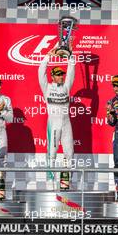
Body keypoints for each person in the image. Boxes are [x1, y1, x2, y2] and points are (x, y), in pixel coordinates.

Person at [38, 48, 75, 188]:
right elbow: (41, 72)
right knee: (52, 152)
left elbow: (71, 72)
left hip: (66, 122)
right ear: (52, 76)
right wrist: (48, 57)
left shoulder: (66, 87)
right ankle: (50, 182)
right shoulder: (47, 87)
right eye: (58, 75)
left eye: (62, 74)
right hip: (53, 123)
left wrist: (70, 56)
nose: (61, 76)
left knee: (69, 152)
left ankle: (67, 182)